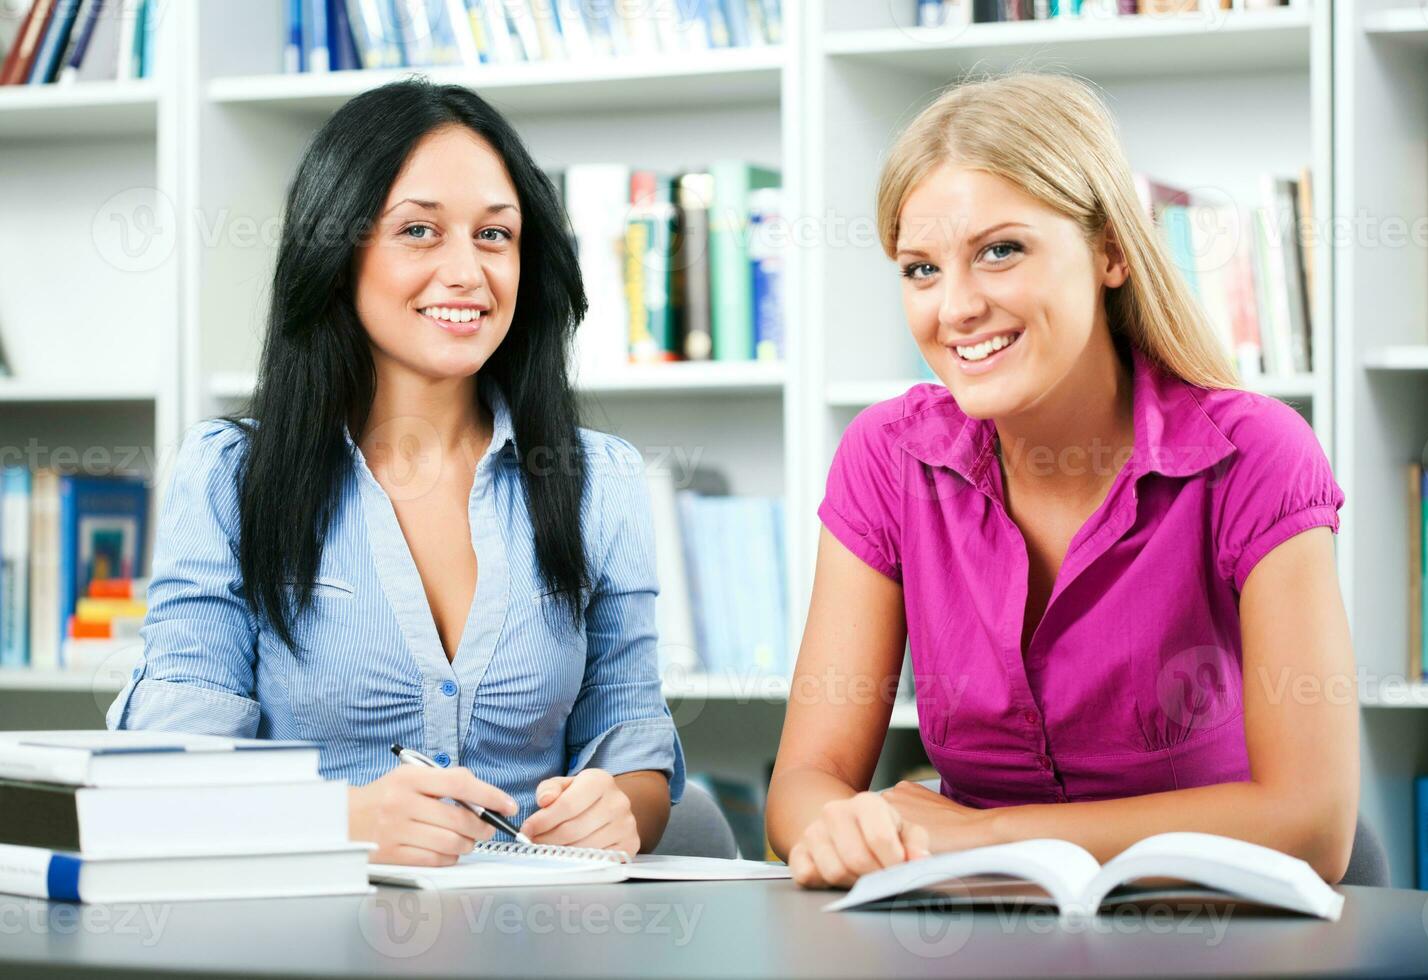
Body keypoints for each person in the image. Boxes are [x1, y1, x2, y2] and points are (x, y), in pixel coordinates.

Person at [765, 72, 1356, 889]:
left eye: (998, 251)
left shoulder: (1254, 455)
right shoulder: (886, 457)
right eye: (921, 269)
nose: (956, 307)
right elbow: (801, 786)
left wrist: (983, 835)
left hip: (1204, 933)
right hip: (964, 930)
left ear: (1111, 248)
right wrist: (843, 827)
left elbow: (1313, 826)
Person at [108, 79, 684, 866]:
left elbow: (633, 751)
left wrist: (620, 811)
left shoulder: (598, 481)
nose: (466, 273)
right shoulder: (228, 478)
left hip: (538, 930)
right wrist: (343, 821)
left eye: (494, 235)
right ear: (335, 251)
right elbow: (169, 782)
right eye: (418, 230)